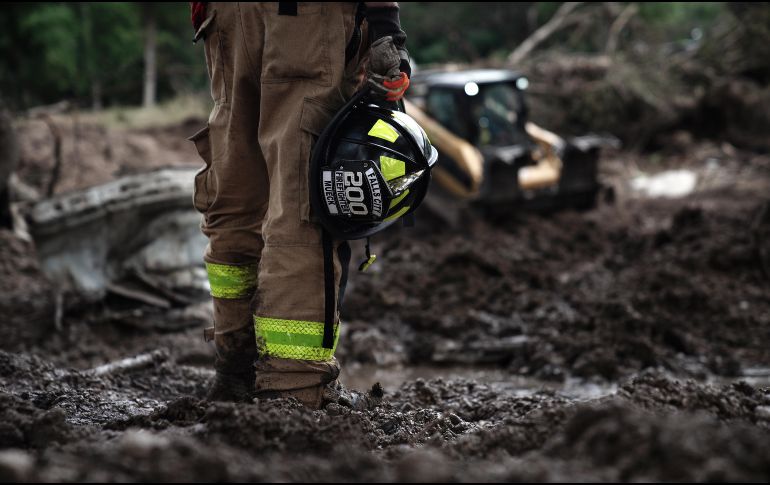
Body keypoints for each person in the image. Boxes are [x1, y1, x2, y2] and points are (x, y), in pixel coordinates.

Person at [189, 1, 411, 409]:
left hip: (225, 17)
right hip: (305, 16)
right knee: (301, 203)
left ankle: (235, 372)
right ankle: (292, 389)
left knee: (238, 193)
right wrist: (384, 23)